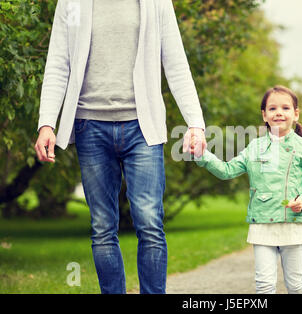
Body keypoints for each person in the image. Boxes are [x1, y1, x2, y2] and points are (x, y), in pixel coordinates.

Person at [34, 0, 206, 294]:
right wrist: (46, 123)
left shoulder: (156, 3)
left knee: (150, 224)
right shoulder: (71, 3)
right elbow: (57, 63)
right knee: (102, 228)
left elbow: (176, 62)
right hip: (90, 126)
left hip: (143, 127)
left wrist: (196, 123)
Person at [193, 85, 302, 294]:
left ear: (296, 114)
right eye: (272, 109)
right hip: (262, 225)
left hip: (293, 224)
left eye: (285, 108)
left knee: (296, 284)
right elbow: (227, 170)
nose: (279, 112)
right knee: (264, 285)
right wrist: (203, 155)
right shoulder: (254, 147)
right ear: (264, 115)